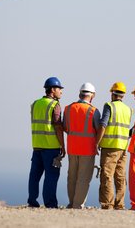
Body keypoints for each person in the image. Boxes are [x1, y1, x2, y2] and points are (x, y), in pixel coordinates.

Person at [27, 77, 66, 208]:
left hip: (37, 145)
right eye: (59, 89)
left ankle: (32, 201)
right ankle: (50, 204)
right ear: (53, 89)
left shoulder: (35, 104)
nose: (61, 92)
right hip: (51, 147)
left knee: (34, 175)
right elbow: (58, 126)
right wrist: (63, 145)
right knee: (51, 176)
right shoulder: (54, 105)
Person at [63, 82, 101, 209]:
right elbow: (98, 129)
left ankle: (71, 202)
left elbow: (65, 127)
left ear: (80, 93)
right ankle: (78, 205)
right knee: (83, 178)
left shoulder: (68, 108)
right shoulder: (94, 111)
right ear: (92, 95)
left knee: (72, 176)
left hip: (72, 148)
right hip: (87, 149)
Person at [96, 82, 133, 210]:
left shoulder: (109, 106)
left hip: (110, 147)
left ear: (112, 93)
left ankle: (108, 204)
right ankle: (120, 204)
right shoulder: (128, 109)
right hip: (123, 148)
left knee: (107, 175)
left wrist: (97, 142)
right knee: (120, 177)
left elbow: (103, 125)